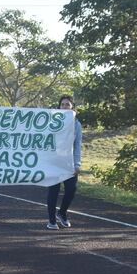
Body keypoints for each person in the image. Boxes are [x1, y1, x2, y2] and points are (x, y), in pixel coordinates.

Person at [46, 95, 82, 230]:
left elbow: (78, 145)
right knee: (53, 190)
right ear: (59, 107)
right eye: (62, 104)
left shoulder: (76, 124)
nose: (65, 106)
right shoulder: (52, 122)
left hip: (69, 162)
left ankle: (62, 213)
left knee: (71, 189)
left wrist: (77, 164)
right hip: (54, 161)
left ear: (72, 107)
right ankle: (51, 220)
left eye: (67, 104)